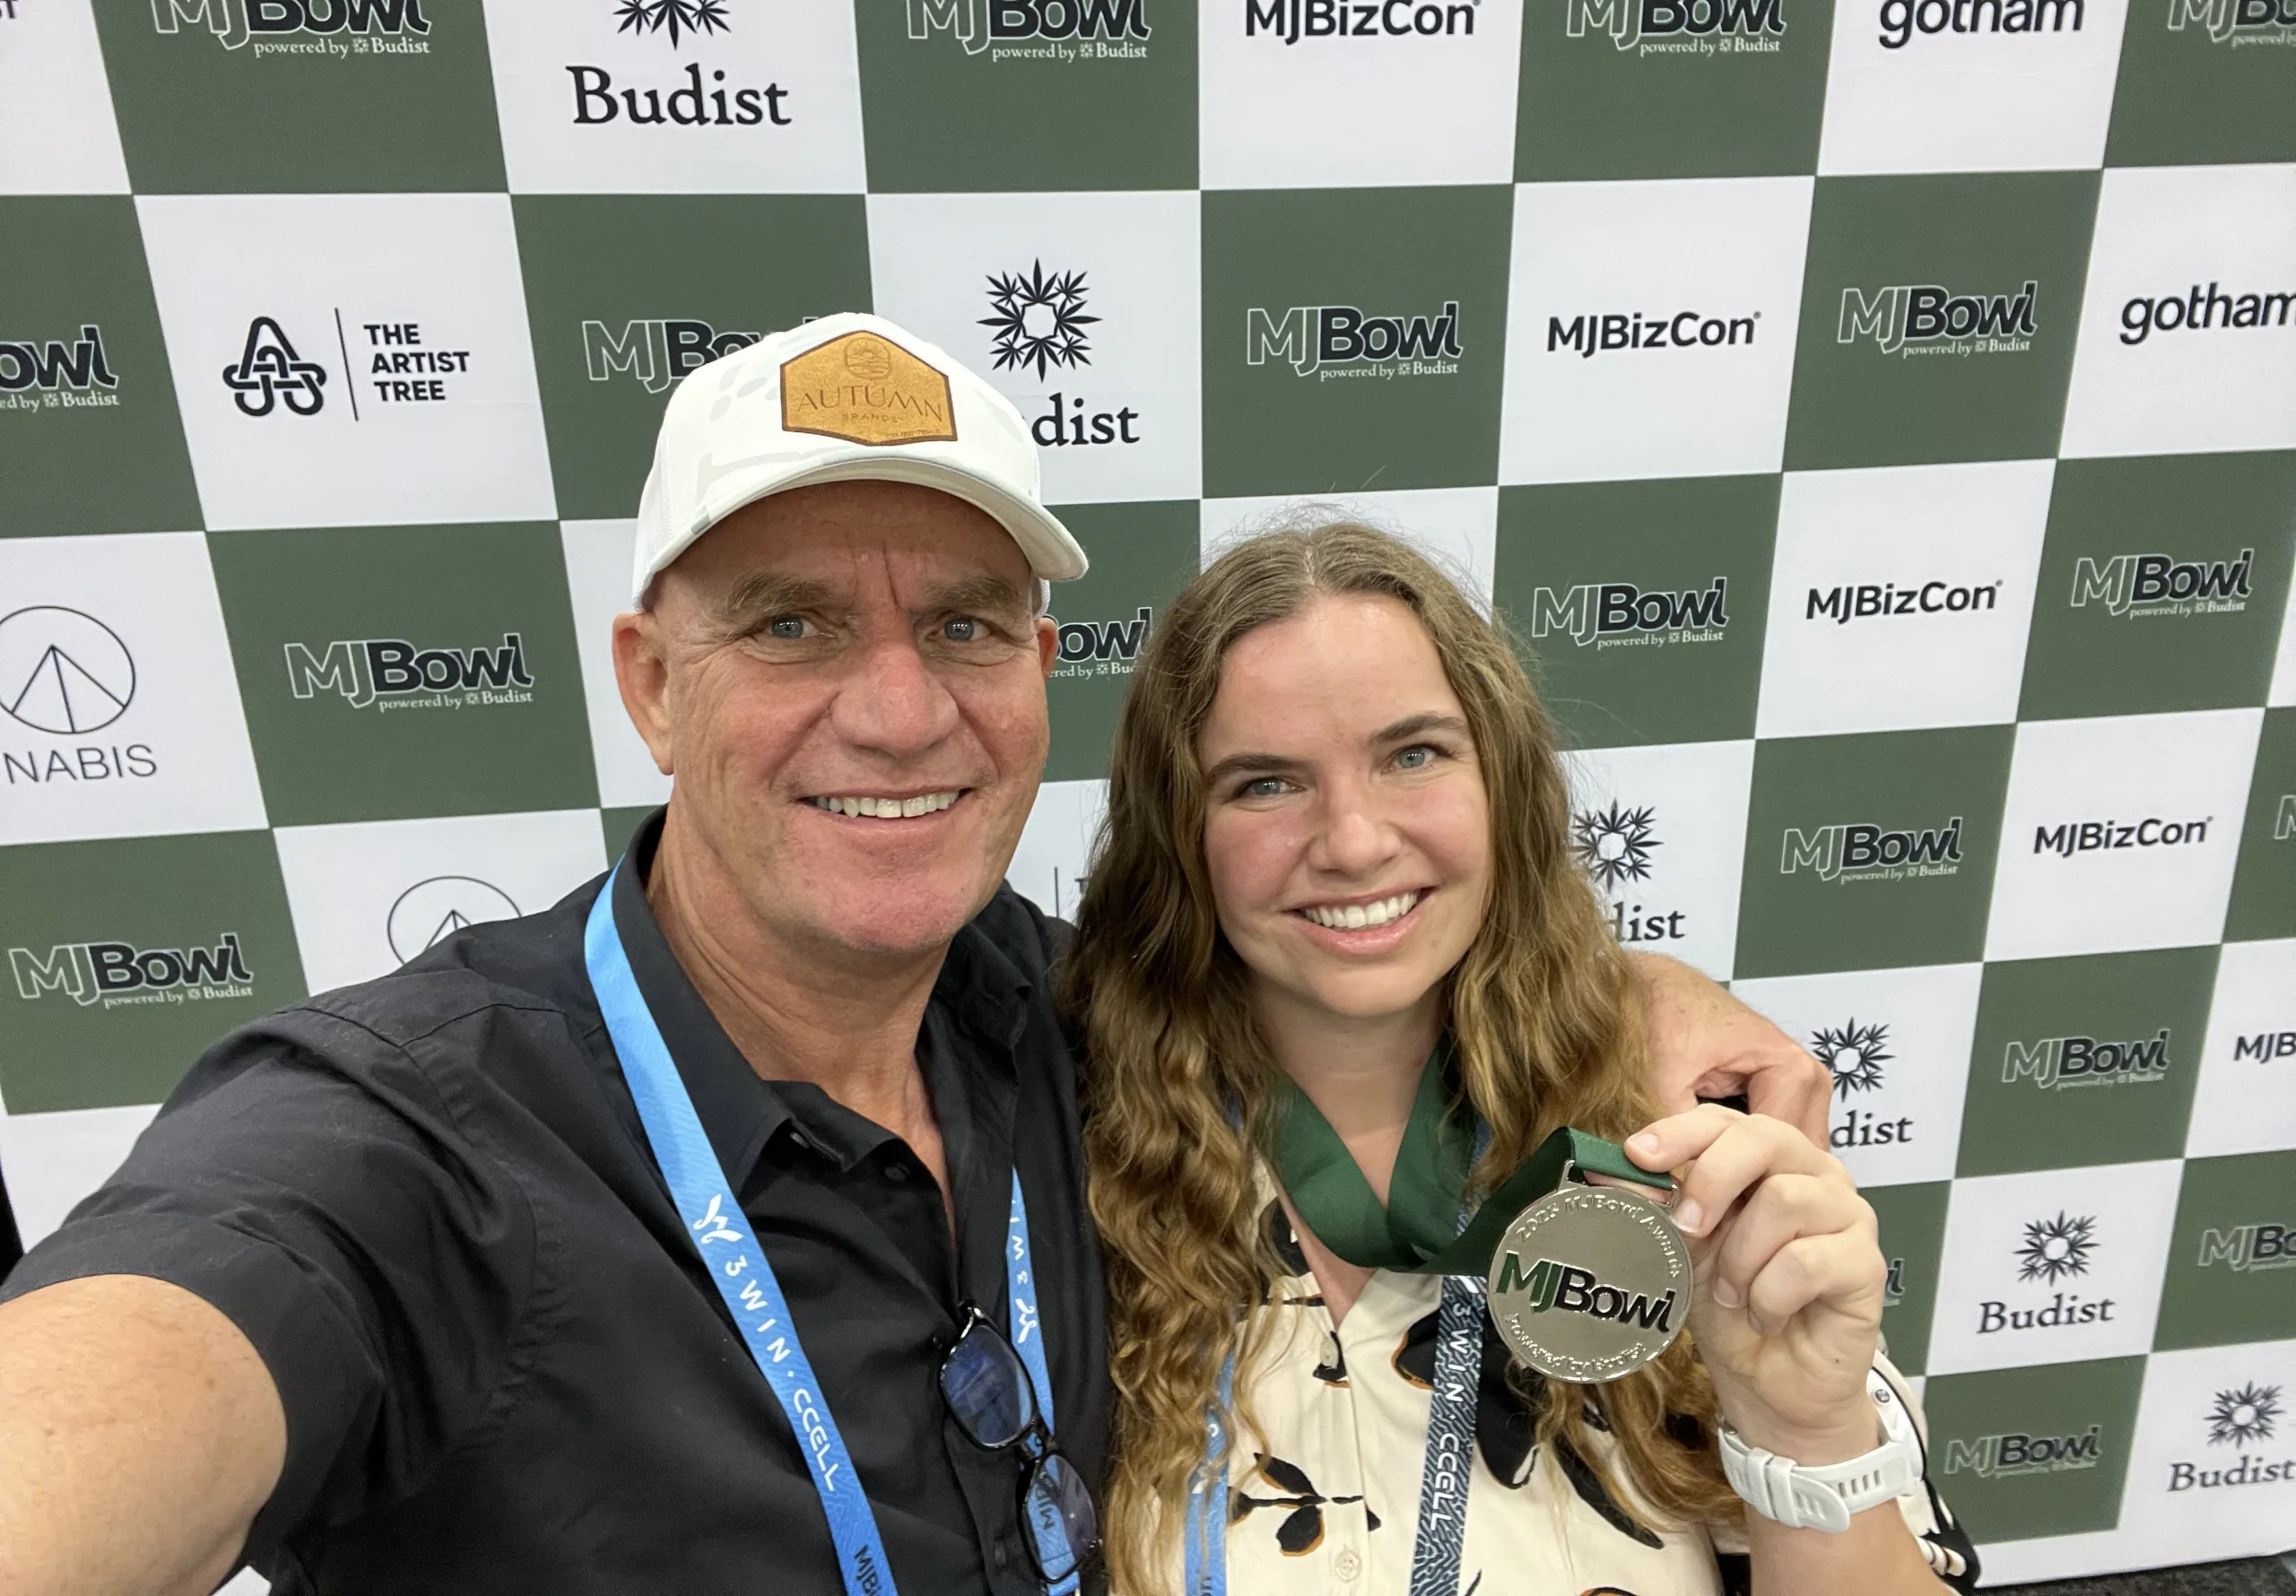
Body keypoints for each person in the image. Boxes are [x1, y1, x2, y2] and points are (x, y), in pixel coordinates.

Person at [0, 316, 1825, 1596]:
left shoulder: (1062, 1017)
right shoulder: (420, 1144)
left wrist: (1645, 1006)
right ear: (651, 680)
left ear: (1037, 679)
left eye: (959, 624)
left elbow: (1353, 944)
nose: (893, 711)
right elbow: (164, 1349)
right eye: (789, 623)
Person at [1065, 522, 1978, 1595]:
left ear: (1503, 783)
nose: (1353, 840)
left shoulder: (1670, 1138)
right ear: (1180, 834)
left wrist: (1803, 1428)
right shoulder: (1061, 1154)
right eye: (1265, 783)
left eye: (1413, 754)